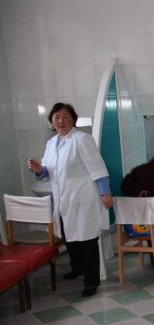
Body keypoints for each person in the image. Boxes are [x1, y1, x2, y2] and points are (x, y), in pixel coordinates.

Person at [26, 102, 112, 298]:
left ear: (73, 119)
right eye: (56, 117)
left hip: (83, 198)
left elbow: (97, 168)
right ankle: (77, 269)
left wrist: (105, 193)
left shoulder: (82, 139)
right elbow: (48, 171)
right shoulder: (51, 143)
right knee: (70, 236)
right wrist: (38, 169)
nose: (61, 121)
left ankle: (91, 281)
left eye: (65, 116)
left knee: (87, 240)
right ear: (51, 122)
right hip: (64, 200)